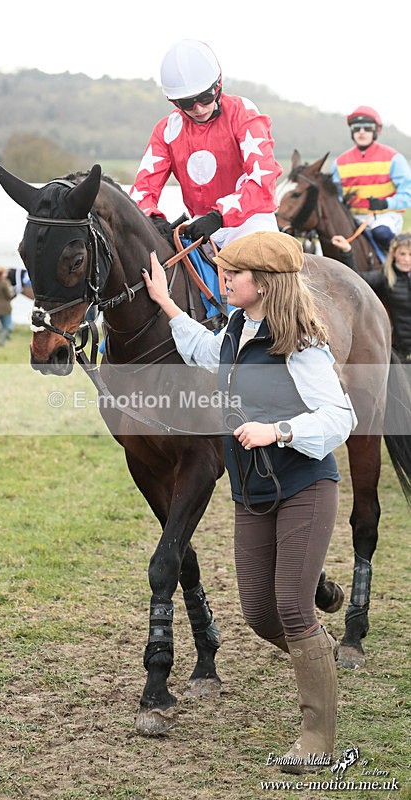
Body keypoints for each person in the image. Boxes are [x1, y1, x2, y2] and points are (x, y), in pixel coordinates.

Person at [141, 231, 357, 773]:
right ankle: (321, 658)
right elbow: (207, 351)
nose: (223, 280)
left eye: (231, 273)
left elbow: (340, 418)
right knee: (260, 615)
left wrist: (278, 430)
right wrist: (166, 303)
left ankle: (316, 739)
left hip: (304, 486)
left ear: (262, 283)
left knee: (290, 605)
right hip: (251, 492)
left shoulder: (302, 344)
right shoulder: (238, 328)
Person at [129, 39, 282, 248]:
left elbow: (263, 178)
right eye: (187, 103)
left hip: (251, 222)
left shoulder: (242, 112)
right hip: (199, 227)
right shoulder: (167, 129)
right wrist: (151, 217)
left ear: (218, 86)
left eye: (205, 98)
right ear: (174, 102)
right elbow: (141, 190)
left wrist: (219, 216)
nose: (199, 109)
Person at [330, 106, 411, 254]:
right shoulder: (338, 163)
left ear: (376, 131)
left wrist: (385, 203)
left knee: (381, 233)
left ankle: (397, 272)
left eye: (367, 128)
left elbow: (408, 195)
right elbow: (336, 197)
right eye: (357, 128)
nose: (361, 132)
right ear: (352, 132)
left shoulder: (394, 158)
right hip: (353, 218)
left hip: (385, 216)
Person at [332, 231, 411, 361]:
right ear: (394, 254)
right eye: (403, 254)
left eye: (410, 254)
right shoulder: (385, 277)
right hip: (401, 349)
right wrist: (347, 252)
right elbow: (356, 279)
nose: (407, 259)